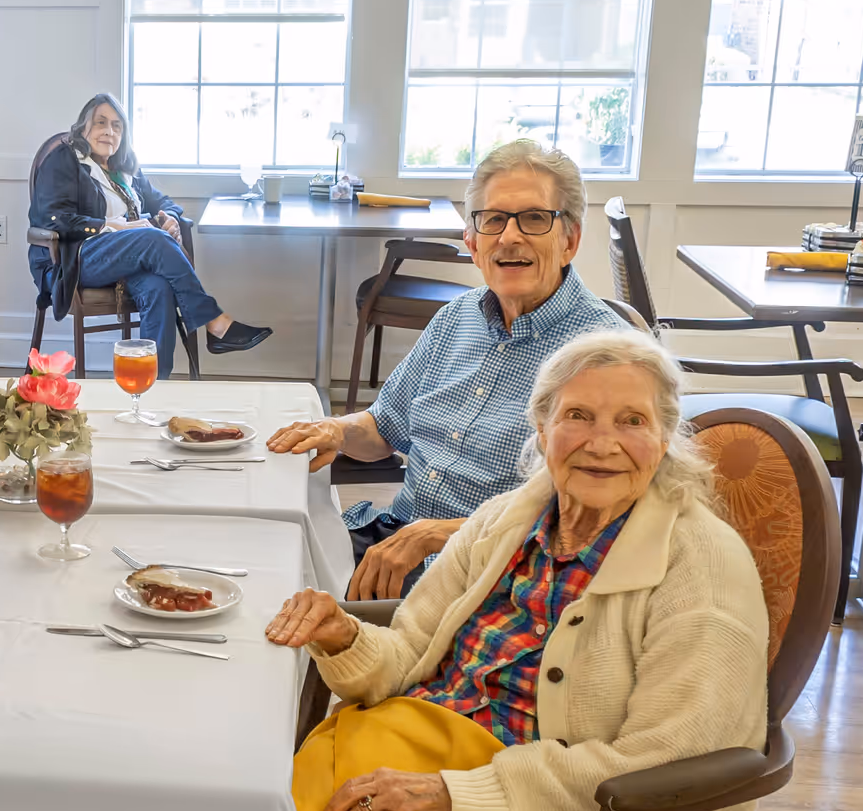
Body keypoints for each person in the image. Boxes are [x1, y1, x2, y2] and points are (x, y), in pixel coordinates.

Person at [265, 330, 768, 811]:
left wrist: (453, 795)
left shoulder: (703, 567)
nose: (603, 443)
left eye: (631, 420)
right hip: (428, 761)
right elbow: (405, 656)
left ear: (666, 437)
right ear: (540, 430)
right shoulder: (507, 517)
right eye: (578, 417)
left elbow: (670, 759)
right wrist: (343, 638)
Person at [268, 139, 628, 600]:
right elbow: (383, 429)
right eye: (493, 219)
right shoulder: (456, 318)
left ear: (570, 240)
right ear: (473, 242)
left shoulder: (609, 359)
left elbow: (594, 523)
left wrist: (436, 535)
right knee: (250, 568)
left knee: (278, 623)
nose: (509, 237)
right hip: (393, 544)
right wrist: (336, 431)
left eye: (534, 218)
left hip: (492, 583)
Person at [29, 92, 272, 379]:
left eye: (117, 126)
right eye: (100, 123)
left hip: (127, 259)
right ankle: (215, 322)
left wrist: (169, 217)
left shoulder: (125, 169)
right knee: (152, 238)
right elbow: (53, 218)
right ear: (84, 128)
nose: (109, 131)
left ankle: (154, 388)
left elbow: (163, 203)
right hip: (75, 260)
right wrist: (114, 227)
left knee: (159, 286)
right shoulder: (65, 159)